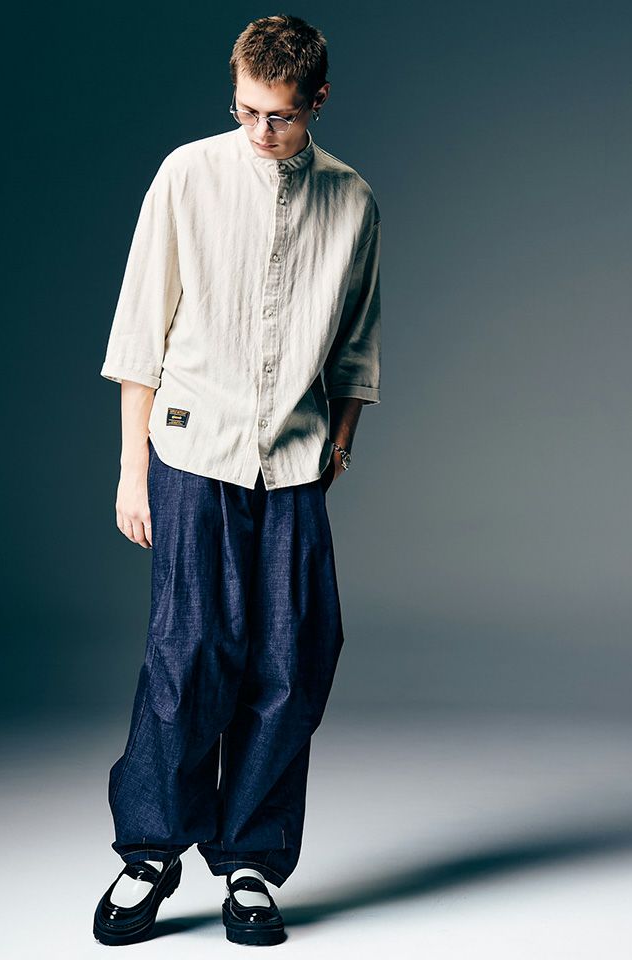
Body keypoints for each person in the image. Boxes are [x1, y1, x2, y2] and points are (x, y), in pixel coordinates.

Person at [92, 13, 381, 947]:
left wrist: (339, 440)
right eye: (246, 111)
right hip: (191, 451)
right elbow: (140, 329)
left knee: (295, 658)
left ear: (317, 101)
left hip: (293, 461)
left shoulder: (353, 201)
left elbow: (357, 342)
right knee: (189, 654)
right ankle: (149, 851)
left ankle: (251, 858)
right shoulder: (187, 175)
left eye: (280, 116)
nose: (260, 131)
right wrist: (132, 469)